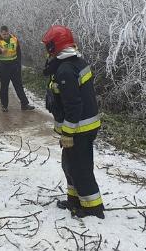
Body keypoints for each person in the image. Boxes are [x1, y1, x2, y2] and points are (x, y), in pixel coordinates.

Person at [41, 25, 104, 219]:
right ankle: (75, 199)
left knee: (80, 168)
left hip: (79, 129)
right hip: (80, 127)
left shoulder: (66, 70)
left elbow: (73, 106)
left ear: (55, 46)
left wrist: (68, 133)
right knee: (70, 165)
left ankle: (92, 208)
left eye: (48, 45)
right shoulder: (74, 62)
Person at [0, 25, 33, 112]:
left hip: (14, 66)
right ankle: (4, 106)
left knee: (19, 86)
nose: (5, 36)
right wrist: (0, 51)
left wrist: (19, 64)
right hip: (3, 67)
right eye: (4, 34)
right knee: (4, 87)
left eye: (7, 34)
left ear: (9, 32)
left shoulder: (14, 39)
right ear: (0, 33)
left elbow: (18, 52)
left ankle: (24, 104)